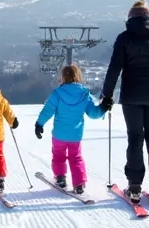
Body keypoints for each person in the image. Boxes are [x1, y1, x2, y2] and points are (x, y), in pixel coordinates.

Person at [100, 0, 149, 205]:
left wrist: (106, 95)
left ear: (131, 17)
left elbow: (114, 68)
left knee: (135, 137)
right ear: (148, 16)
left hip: (132, 96)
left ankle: (134, 187)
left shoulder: (124, 38)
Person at [34, 64, 104, 195]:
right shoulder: (84, 94)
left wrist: (39, 124)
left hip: (59, 134)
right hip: (75, 135)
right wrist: (103, 108)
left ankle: (60, 178)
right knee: (76, 158)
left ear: (62, 77)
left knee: (58, 156)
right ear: (78, 76)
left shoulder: (57, 94)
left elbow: (48, 110)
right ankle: (79, 184)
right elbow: (93, 113)